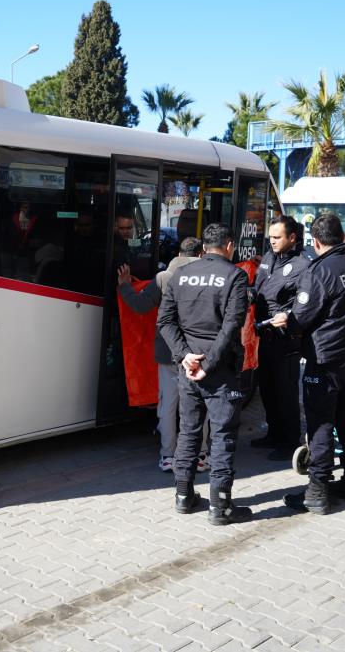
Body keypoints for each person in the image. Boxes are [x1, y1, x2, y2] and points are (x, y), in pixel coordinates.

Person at [272, 213, 345, 515]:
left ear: (314, 242)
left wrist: (288, 321)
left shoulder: (319, 271)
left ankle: (317, 490)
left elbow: (301, 318)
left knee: (321, 421)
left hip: (323, 357)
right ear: (341, 236)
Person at [157, 223, 252, 525]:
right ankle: (220, 507)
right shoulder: (235, 275)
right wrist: (208, 363)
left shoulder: (181, 275)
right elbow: (231, 326)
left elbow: (165, 322)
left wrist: (185, 357)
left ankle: (183, 496)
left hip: (188, 368)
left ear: (202, 250)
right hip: (218, 369)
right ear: (228, 246)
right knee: (222, 437)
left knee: (188, 431)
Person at [117, 237, 208, 472]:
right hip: (200, 352)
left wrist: (125, 284)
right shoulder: (209, 276)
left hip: (170, 352)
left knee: (168, 405)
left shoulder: (163, 278)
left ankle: (168, 456)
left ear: (178, 253)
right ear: (201, 253)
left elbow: (138, 306)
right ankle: (200, 455)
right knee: (199, 404)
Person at [251, 216, 310, 461]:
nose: (272, 242)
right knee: (267, 389)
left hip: (286, 339)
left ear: (292, 238)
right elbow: (259, 289)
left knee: (285, 392)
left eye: (277, 238)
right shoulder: (268, 257)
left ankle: (290, 441)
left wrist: (290, 317)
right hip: (263, 335)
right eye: (270, 237)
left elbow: (306, 302)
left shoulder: (303, 265)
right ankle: (274, 433)